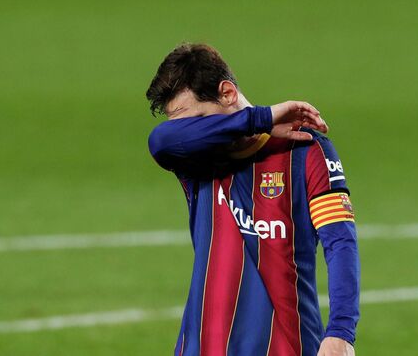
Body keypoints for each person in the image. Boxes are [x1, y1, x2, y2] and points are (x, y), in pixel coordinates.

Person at [146, 43, 359, 356]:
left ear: (228, 93)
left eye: (200, 120)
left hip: (288, 346)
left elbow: (340, 242)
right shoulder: (195, 159)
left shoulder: (303, 151)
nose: (198, 132)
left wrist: (341, 330)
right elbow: (160, 140)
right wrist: (260, 118)